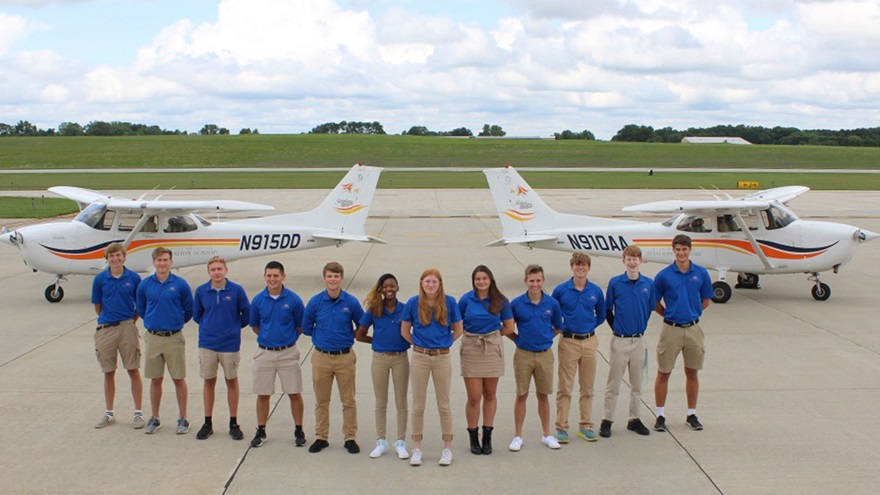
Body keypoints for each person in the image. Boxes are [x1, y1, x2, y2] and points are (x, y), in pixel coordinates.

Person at [400, 268, 463, 467]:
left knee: (444, 404)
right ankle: (416, 448)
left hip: (442, 358)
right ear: (421, 283)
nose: (431, 285)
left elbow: (458, 329)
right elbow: (404, 330)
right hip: (420, 357)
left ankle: (447, 448)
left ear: (440, 284)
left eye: (434, 282)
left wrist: (444, 343)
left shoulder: (450, 302)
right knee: (418, 404)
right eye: (427, 281)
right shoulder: (412, 303)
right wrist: (419, 345)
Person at [302, 262, 365, 454]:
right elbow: (306, 327)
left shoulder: (351, 302)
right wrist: (321, 338)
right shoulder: (315, 302)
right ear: (324, 278)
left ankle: (350, 437)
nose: (333, 280)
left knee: (348, 400)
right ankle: (321, 437)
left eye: (336, 276)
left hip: (345, 357)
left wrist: (346, 337)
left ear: (341, 278)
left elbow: (361, 325)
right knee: (322, 400)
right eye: (329, 276)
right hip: (321, 357)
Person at [653, 234, 713, 432]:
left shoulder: (701, 273)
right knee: (664, 371)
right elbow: (655, 302)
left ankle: (691, 413)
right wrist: (668, 315)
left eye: (684, 249)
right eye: (677, 249)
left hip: (693, 329)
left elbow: (706, 299)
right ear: (673, 250)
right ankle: (660, 415)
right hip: (671, 329)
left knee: (692, 372)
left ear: (690, 250)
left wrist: (692, 313)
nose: (681, 253)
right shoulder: (663, 275)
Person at [248, 260, 307, 448]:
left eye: (276, 275)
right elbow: (256, 326)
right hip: (265, 352)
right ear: (264, 277)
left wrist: (285, 340)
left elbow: (300, 326)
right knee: (263, 393)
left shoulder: (294, 300)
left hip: (288, 352)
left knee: (294, 392)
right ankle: (261, 429)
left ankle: (299, 429)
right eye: (269, 275)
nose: (272, 279)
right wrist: (269, 339)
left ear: (283, 276)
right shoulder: (258, 300)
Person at [136, 247, 194, 435]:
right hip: (153, 337)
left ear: (171, 262)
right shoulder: (145, 285)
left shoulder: (180, 284)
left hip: (174, 337)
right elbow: (142, 309)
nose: (162, 263)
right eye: (159, 260)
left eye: (166, 260)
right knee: (155, 379)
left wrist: (174, 322)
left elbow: (188, 310)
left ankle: (183, 417)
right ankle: (155, 417)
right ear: (154, 262)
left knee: (178, 378)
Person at [599, 246, 655, 438]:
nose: (632, 263)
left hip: (639, 340)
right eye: (628, 259)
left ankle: (635, 418)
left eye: (635, 259)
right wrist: (617, 329)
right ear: (623, 261)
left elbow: (649, 309)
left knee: (637, 384)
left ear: (640, 261)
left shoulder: (649, 283)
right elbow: (608, 310)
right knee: (613, 383)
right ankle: (607, 419)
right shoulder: (615, 283)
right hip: (620, 340)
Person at [458, 265, 514, 455]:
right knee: (474, 397)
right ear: (473, 281)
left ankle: (487, 435)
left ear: (491, 280)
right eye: (478, 279)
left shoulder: (501, 300)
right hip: (472, 348)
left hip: (491, 348)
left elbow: (508, 326)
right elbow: (457, 323)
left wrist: (494, 336)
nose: (481, 282)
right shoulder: (466, 300)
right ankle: (473, 435)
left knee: (490, 394)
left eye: (484, 278)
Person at [192, 256, 250, 441]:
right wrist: (211, 327)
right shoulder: (201, 291)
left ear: (226, 270)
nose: (216, 272)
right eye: (213, 270)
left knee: (231, 380)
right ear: (209, 272)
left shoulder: (236, 290)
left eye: (219, 269)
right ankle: (207, 422)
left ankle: (233, 423)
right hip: (208, 344)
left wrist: (231, 328)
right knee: (209, 381)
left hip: (230, 345)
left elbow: (246, 315)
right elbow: (197, 315)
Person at [507, 264, 563, 451]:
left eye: (538, 280)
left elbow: (557, 326)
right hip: (523, 354)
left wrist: (546, 339)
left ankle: (546, 435)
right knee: (521, 394)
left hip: (545, 355)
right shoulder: (516, 303)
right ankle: (518, 436)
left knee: (543, 395)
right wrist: (518, 340)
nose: (535, 284)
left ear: (543, 281)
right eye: (531, 281)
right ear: (526, 281)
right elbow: (507, 327)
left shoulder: (552, 304)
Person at [551, 252, 606, 443]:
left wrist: (588, 328)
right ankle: (561, 427)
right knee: (565, 387)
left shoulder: (596, 291)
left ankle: (586, 425)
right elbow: (553, 313)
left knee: (588, 387)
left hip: (589, 342)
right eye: (577, 265)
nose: (580, 268)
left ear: (588, 268)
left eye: (584, 265)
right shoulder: (560, 290)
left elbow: (601, 315)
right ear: (572, 267)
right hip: (568, 342)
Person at [355, 273, 411, 459]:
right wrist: (376, 341)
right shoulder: (374, 310)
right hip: (379, 358)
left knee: (401, 402)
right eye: (385, 287)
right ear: (380, 289)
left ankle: (401, 442)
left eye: (392, 286)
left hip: (400, 358)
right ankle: (381, 441)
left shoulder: (405, 309)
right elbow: (360, 334)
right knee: (381, 402)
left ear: (397, 287)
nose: (389, 289)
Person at [91, 242, 144, 429]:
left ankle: (138, 413)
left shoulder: (134, 278)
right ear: (107, 259)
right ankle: (109, 413)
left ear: (124, 257)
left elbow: (139, 305)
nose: (115, 259)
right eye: (111, 256)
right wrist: (108, 321)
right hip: (106, 328)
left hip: (127, 327)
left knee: (133, 369)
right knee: (108, 371)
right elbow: (98, 306)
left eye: (118, 255)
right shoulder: (100, 279)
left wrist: (129, 322)